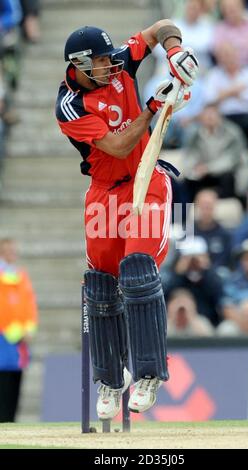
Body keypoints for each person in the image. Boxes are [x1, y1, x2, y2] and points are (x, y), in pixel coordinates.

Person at [56, 22, 199, 420]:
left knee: (137, 270)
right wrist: (155, 106)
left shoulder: (118, 63)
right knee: (101, 286)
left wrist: (174, 53)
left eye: (108, 57)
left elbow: (163, 28)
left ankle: (149, 374)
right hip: (105, 191)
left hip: (146, 177)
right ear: (79, 65)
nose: (110, 65)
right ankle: (108, 380)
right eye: (100, 61)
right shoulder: (69, 106)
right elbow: (119, 144)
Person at [0, 238, 38, 422]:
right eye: (8, 249)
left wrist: (29, 328)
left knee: (15, 382)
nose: (13, 253)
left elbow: (29, 303)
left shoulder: (20, 275)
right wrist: (13, 329)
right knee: (4, 383)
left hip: (19, 340)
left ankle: (10, 422)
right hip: (3, 337)